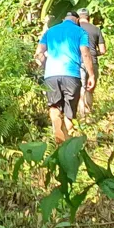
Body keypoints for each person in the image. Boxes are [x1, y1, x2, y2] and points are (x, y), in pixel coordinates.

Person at [34, 12, 94, 144]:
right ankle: (67, 144)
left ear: (63, 19)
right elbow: (85, 53)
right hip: (71, 75)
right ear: (77, 20)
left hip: (51, 76)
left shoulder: (50, 32)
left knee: (54, 107)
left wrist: (46, 64)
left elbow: (38, 53)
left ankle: (58, 139)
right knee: (69, 112)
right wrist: (92, 75)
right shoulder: (81, 32)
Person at [76, 9, 106, 114]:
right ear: (88, 17)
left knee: (81, 88)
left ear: (78, 18)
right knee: (90, 88)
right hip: (93, 62)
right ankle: (88, 113)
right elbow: (102, 50)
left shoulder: (76, 29)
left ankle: (82, 114)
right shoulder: (96, 29)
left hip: (79, 62)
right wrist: (93, 53)